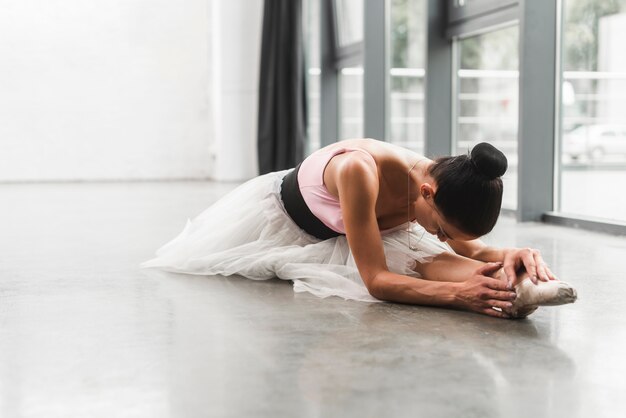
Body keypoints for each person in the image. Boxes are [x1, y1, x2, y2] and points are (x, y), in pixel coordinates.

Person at [142, 138, 576, 319]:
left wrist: (512, 255)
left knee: (431, 255)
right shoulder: (359, 172)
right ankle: (501, 293)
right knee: (416, 265)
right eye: (442, 227)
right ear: (427, 193)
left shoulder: (440, 185)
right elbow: (375, 280)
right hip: (295, 223)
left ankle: (518, 289)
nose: (446, 236)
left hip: (364, 223)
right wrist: (456, 296)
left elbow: (473, 247)